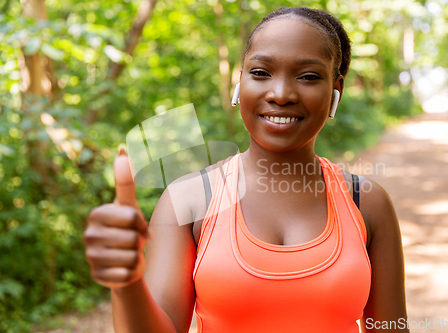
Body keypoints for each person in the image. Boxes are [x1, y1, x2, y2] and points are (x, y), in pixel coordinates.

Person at [84, 6, 409, 333]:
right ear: (240, 81)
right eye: (260, 73)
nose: (280, 94)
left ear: (335, 89)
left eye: (308, 76)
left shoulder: (366, 202)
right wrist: (126, 282)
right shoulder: (189, 200)